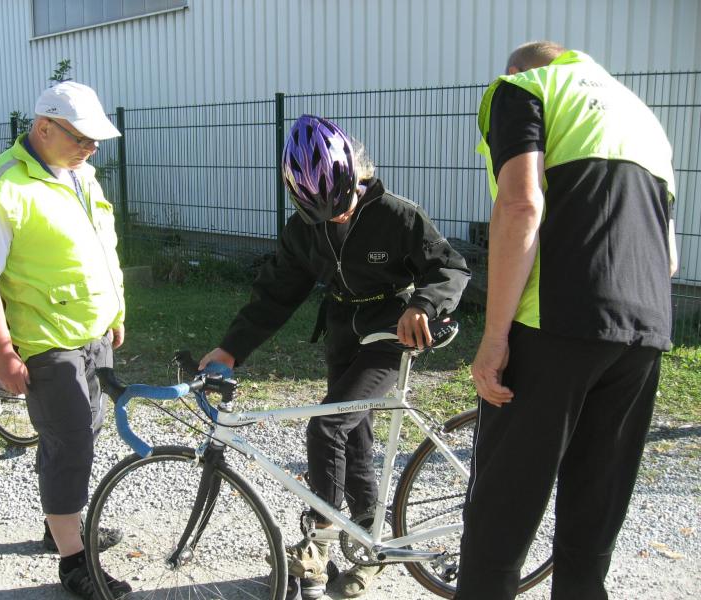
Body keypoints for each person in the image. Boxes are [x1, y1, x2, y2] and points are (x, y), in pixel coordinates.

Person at [200, 114, 470, 599]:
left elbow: (449, 267)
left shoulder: (397, 215)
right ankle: (371, 545)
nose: (336, 218)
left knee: (328, 425)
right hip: (343, 331)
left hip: (391, 334)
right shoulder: (302, 232)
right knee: (352, 432)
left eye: (342, 204)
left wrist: (423, 304)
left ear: (356, 176)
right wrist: (231, 348)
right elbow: (275, 294)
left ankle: (318, 544)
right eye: (320, 214)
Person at [458, 41, 678, 599]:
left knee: (501, 513)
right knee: (592, 515)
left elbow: (520, 206)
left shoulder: (524, 89)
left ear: (515, 69)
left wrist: (494, 337)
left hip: (554, 322)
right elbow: (670, 256)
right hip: (645, 329)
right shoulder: (644, 119)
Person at [0, 82, 130, 599]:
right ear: (44, 128)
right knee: (70, 441)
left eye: (96, 140)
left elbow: (102, 247)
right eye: (82, 138)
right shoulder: (2, 188)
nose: (91, 148)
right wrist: (3, 353)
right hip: (46, 342)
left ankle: (60, 524)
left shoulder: (80, 174)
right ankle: (74, 561)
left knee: (84, 433)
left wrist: (116, 311)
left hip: (93, 334)